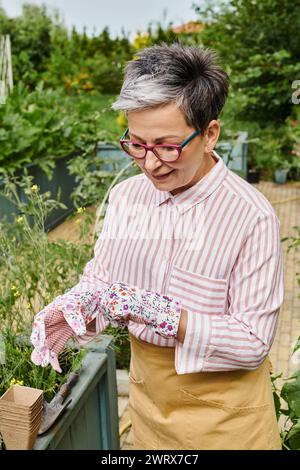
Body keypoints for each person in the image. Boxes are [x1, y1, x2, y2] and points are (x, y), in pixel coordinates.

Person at [30, 43, 284, 450]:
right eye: (136, 144)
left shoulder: (251, 216)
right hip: (150, 409)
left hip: (226, 421)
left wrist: (160, 311)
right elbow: (102, 277)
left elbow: (252, 341)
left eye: (167, 146)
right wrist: (75, 306)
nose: (150, 164)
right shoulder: (129, 197)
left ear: (210, 134)